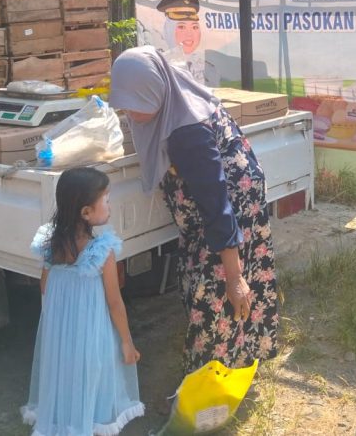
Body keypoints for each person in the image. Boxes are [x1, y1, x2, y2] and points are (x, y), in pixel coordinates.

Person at [108, 46, 278, 373]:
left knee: (216, 294)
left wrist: (234, 276)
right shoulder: (177, 94)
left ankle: (213, 376)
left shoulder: (186, 132)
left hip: (227, 215)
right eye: (124, 103)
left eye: (136, 102)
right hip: (220, 209)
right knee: (209, 287)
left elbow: (216, 203)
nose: (130, 113)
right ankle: (236, 365)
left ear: (155, 90)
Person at [21, 166, 144, 436]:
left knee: (64, 373)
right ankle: (89, 420)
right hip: (91, 329)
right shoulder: (102, 251)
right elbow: (114, 302)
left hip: (60, 330)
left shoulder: (51, 245)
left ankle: (66, 420)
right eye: (106, 200)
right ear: (86, 212)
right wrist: (126, 341)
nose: (110, 206)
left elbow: (45, 286)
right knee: (92, 372)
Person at [156, 0, 213, 85]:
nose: (189, 34)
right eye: (181, 27)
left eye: (194, 27)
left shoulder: (209, 68)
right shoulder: (160, 66)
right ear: (168, 29)